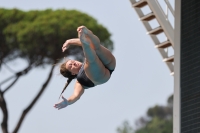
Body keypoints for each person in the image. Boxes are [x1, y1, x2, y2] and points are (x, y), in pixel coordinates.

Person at [54, 26, 116, 110]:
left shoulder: (86, 61)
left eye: (72, 62)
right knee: (90, 60)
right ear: (72, 73)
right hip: (102, 76)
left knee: (95, 47)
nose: (73, 63)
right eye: (71, 66)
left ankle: (88, 34)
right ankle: (84, 42)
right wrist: (68, 102)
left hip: (110, 65)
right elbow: (76, 95)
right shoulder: (79, 82)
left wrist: (69, 41)